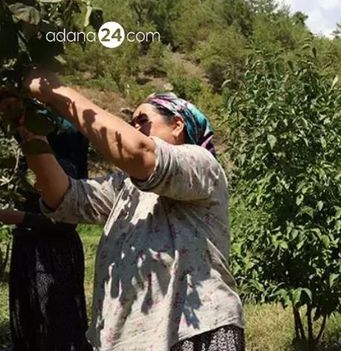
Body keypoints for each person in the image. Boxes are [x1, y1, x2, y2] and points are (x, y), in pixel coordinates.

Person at [1, 68, 244, 351]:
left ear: (177, 125)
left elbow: (138, 152)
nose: (134, 128)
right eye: (131, 123)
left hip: (194, 333)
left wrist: (53, 91)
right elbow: (64, 197)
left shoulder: (200, 164)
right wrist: (26, 125)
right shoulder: (125, 188)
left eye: (143, 121)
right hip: (127, 340)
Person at [1, 126, 91, 351]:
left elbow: (67, 223)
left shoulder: (61, 167)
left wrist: (22, 218)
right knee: (29, 319)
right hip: (29, 250)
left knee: (55, 324)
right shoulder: (26, 164)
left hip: (53, 256)